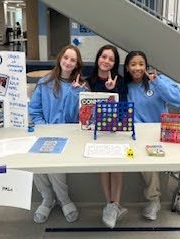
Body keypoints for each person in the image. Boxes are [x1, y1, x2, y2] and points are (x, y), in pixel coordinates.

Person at [123, 50, 180, 222]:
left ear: (146, 66)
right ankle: (153, 201)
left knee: (178, 161)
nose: (137, 68)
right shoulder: (125, 88)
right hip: (140, 137)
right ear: (127, 68)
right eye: (133, 64)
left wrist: (158, 83)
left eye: (141, 64)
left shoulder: (158, 80)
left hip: (165, 133)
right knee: (145, 165)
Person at [29, 45, 88, 224]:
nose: (68, 62)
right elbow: (34, 110)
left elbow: (82, 116)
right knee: (36, 163)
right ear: (60, 59)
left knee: (55, 165)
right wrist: (44, 129)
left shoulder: (82, 86)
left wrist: (76, 93)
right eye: (66, 58)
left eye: (73, 60)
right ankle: (47, 197)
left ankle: (63, 199)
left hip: (69, 136)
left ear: (77, 64)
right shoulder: (45, 82)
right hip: (43, 132)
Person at [86, 44, 128, 228]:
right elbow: (85, 109)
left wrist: (112, 90)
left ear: (114, 63)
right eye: (104, 57)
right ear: (98, 58)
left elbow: (124, 108)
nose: (106, 61)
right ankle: (110, 204)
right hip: (95, 132)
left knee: (117, 168)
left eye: (111, 59)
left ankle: (114, 205)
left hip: (116, 130)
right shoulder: (89, 80)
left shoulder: (120, 81)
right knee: (104, 167)